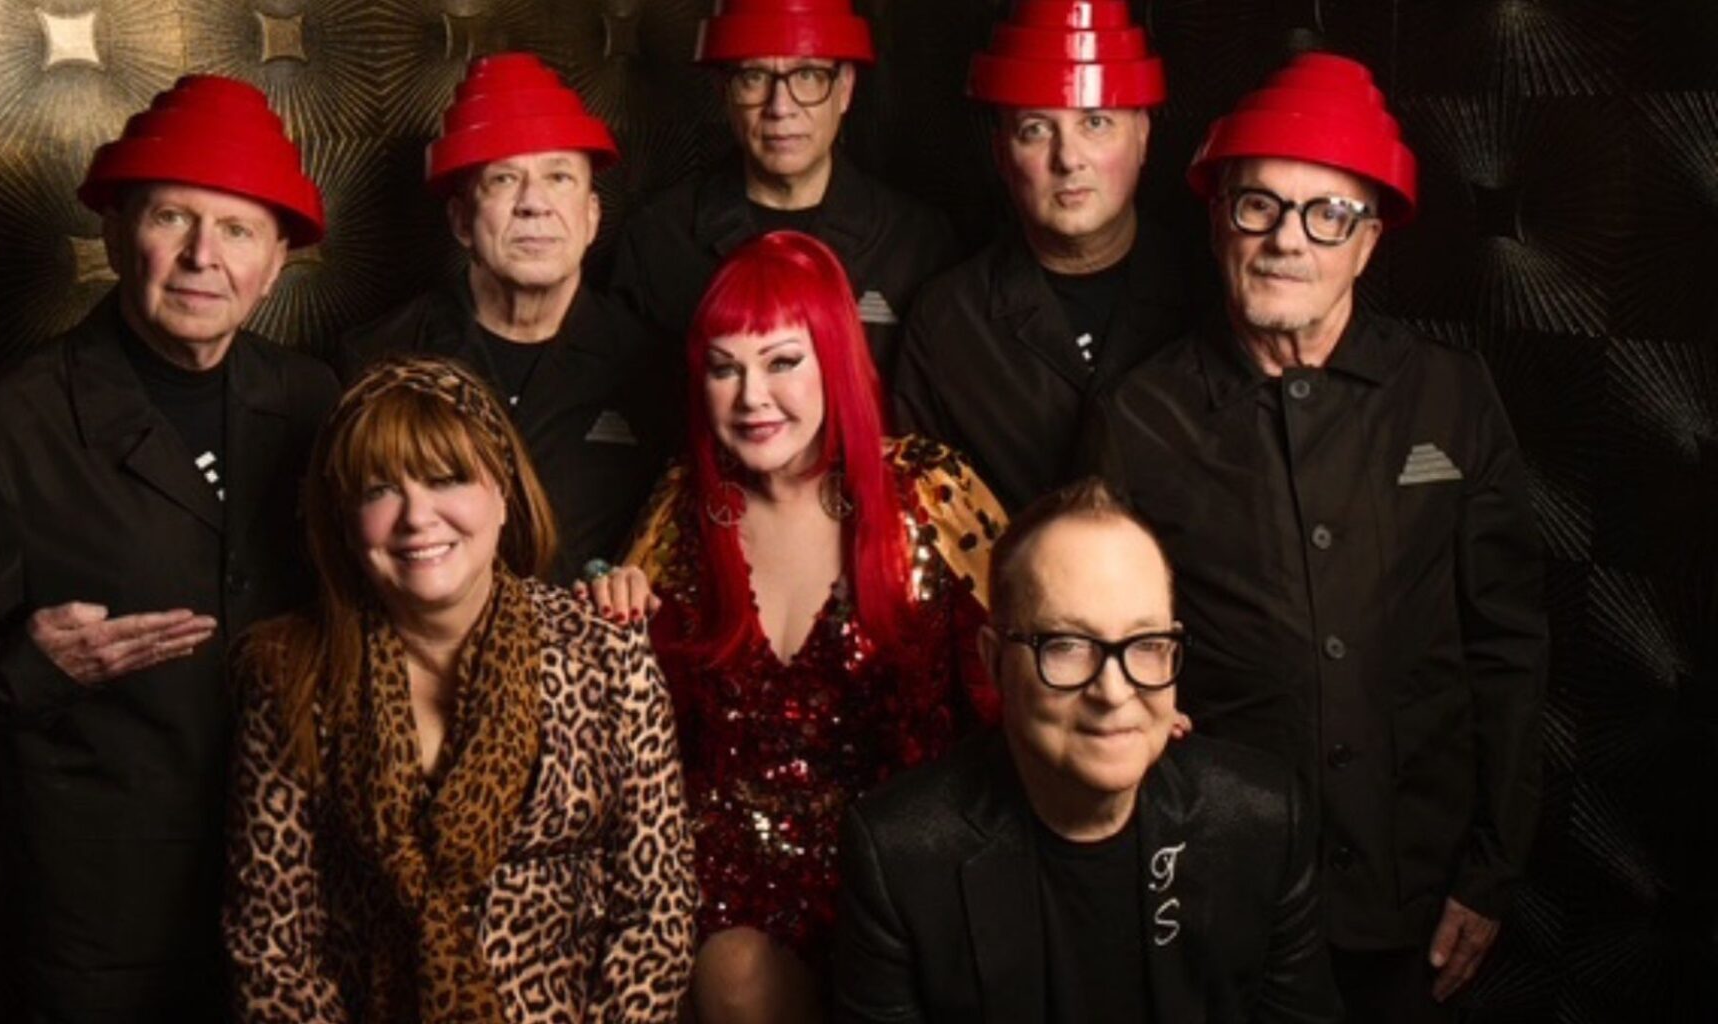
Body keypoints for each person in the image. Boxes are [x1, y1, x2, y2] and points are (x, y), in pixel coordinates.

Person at [0, 76, 339, 1020]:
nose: (203, 256)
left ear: (277, 261)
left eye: (237, 230)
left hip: (301, 902)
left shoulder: (316, 401)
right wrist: (26, 671)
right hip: (99, 933)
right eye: (172, 217)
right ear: (115, 233)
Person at [1083, 53, 1547, 1021]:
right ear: (1219, 221)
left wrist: (1492, 870)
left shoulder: (1451, 396)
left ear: (1368, 241)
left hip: (1413, 889)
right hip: (1216, 884)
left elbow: (1506, 649)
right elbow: (1103, 654)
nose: (1287, 239)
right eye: (1259, 205)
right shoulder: (1138, 416)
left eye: (1328, 214)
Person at [585, 230, 1003, 1022]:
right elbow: (621, 719)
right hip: (727, 889)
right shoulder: (681, 511)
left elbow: (1036, 641)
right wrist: (613, 607)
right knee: (736, 973)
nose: (752, 397)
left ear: (833, 360)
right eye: (725, 368)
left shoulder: (930, 490)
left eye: (781, 361)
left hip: (909, 866)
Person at [224, 356, 697, 1022]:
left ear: (503, 492)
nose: (417, 517)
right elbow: (273, 942)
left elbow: (657, 910)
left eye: (446, 479)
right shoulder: (291, 674)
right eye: (379, 490)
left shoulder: (605, 653)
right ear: (345, 522)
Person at [832, 479, 1343, 1022]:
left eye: (1146, 645)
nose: (1114, 692)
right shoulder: (899, 857)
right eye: (1068, 646)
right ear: (994, 661)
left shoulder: (1263, 820)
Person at [339, 53, 675, 584]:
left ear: (592, 217)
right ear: (461, 220)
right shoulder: (376, 362)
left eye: (559, 177)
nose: (533, 204)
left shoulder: (656, 368)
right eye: (503, 180)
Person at [891, 0, 1207, 513]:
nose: (1068, 158)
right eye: (1036, 129)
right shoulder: (948, 323)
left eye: (1096, 123)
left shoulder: (1209, 293)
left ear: (1143, 136)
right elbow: (927, 519)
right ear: (1001, 154)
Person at [610, 0, 957, 374]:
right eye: (754, 77)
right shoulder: (658, 240)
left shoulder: (918, 244)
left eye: (807, 75)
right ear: (723, 90)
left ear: (845, 87)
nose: (780, 107)